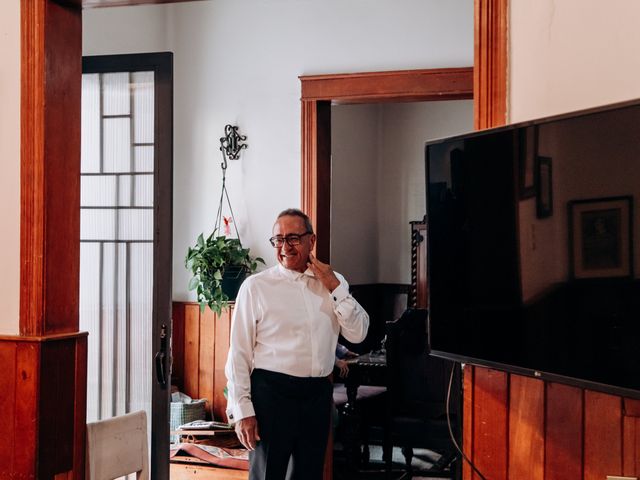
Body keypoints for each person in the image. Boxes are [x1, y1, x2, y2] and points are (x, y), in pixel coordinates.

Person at [225, 208, 369, 480]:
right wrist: (242, 410)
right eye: (278, 239)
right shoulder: (255, 287)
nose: (284, 247)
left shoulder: (333, 284)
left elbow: (359, 333)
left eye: (293, 238)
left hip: (317, 395)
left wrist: (335, 288)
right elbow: (239, 354)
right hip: (271, 395)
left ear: (311, 241)